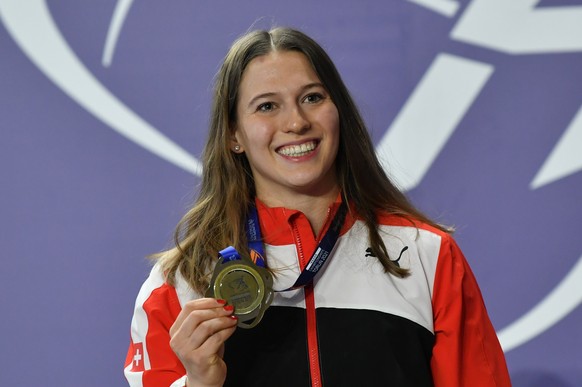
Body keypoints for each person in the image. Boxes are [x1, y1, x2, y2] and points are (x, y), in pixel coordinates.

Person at [124, 27, 511, 387]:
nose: (296, 122)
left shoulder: (426, 254)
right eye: (266, 106)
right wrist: (199, 383)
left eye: (312, 98)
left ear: (338, 111)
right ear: (233, 136)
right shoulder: (180, 280)